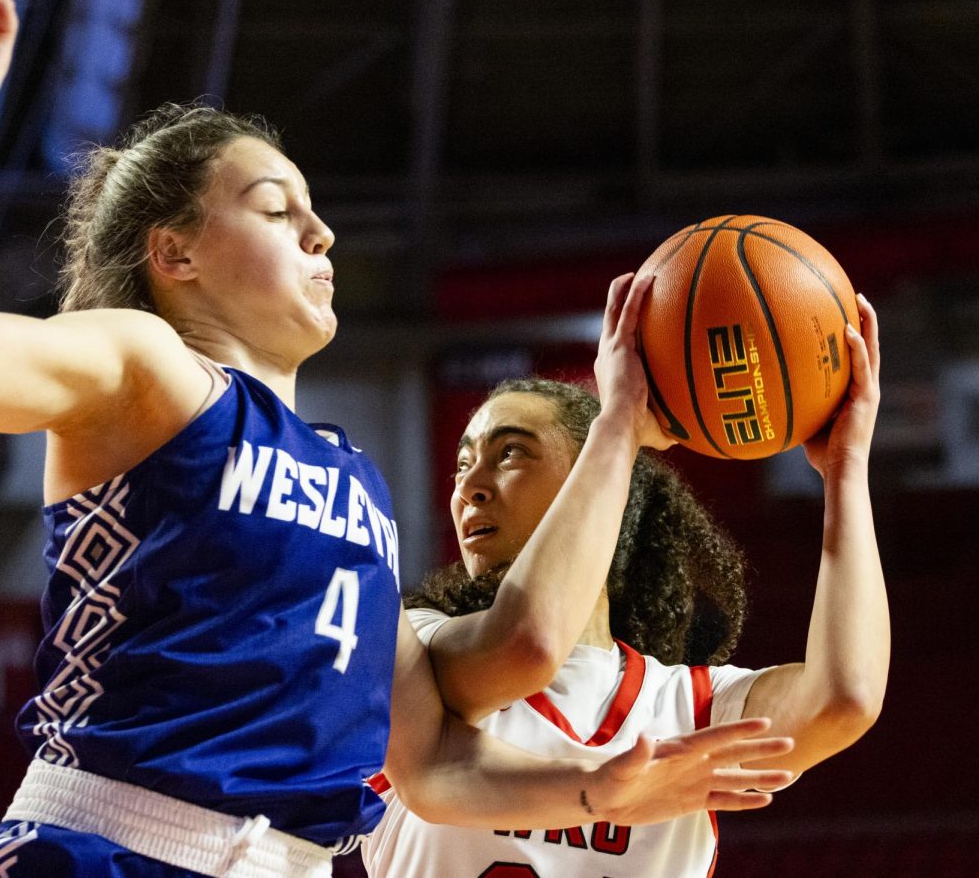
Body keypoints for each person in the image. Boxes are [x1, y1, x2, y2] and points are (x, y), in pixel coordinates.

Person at [0, 0, 797, 878]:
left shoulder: (355, 483)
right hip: (115, 846)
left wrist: (604, 788)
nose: (322, 231)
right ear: (175, 254)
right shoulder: (146, 363)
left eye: (313, 210)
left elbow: (434, 758)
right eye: (277, 210)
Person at [362, 278, 887, 877]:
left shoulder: (688, 707)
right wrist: (620, 424)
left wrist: (846, 472)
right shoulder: (416, 643)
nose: (468, 486)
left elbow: (845, 698)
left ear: (606, 477)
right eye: (462, 463)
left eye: (511, 452)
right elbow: (526, 644)